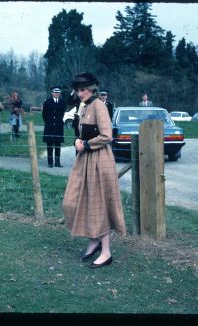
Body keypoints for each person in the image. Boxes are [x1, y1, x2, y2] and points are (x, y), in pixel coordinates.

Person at [62, 72, 126, 269]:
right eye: (78, 90)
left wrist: (87, 145)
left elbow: (107, 135)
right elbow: (80, 132)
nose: (79, 93)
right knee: (75, 200)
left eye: (83, 90)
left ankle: (105, 252)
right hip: (85, 160)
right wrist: (77, 141)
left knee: (98, 202)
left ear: (92, 89)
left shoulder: (99, 105)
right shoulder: (85, 106)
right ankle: (94, 241)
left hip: (99, 160)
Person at [42, 86, 66, 168]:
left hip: (59, 126)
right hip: (50, 126)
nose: (56, 94)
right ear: (52, 93)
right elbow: (44, 114)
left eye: (58, 92)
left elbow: (62, 113)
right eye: (55, 92)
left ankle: (57, 162)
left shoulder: (62, 102)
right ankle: (50, 162)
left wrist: (58, 121)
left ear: (59, 93)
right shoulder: (47, 102)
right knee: (50, 145)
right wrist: (49, 122)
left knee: (58, 145)